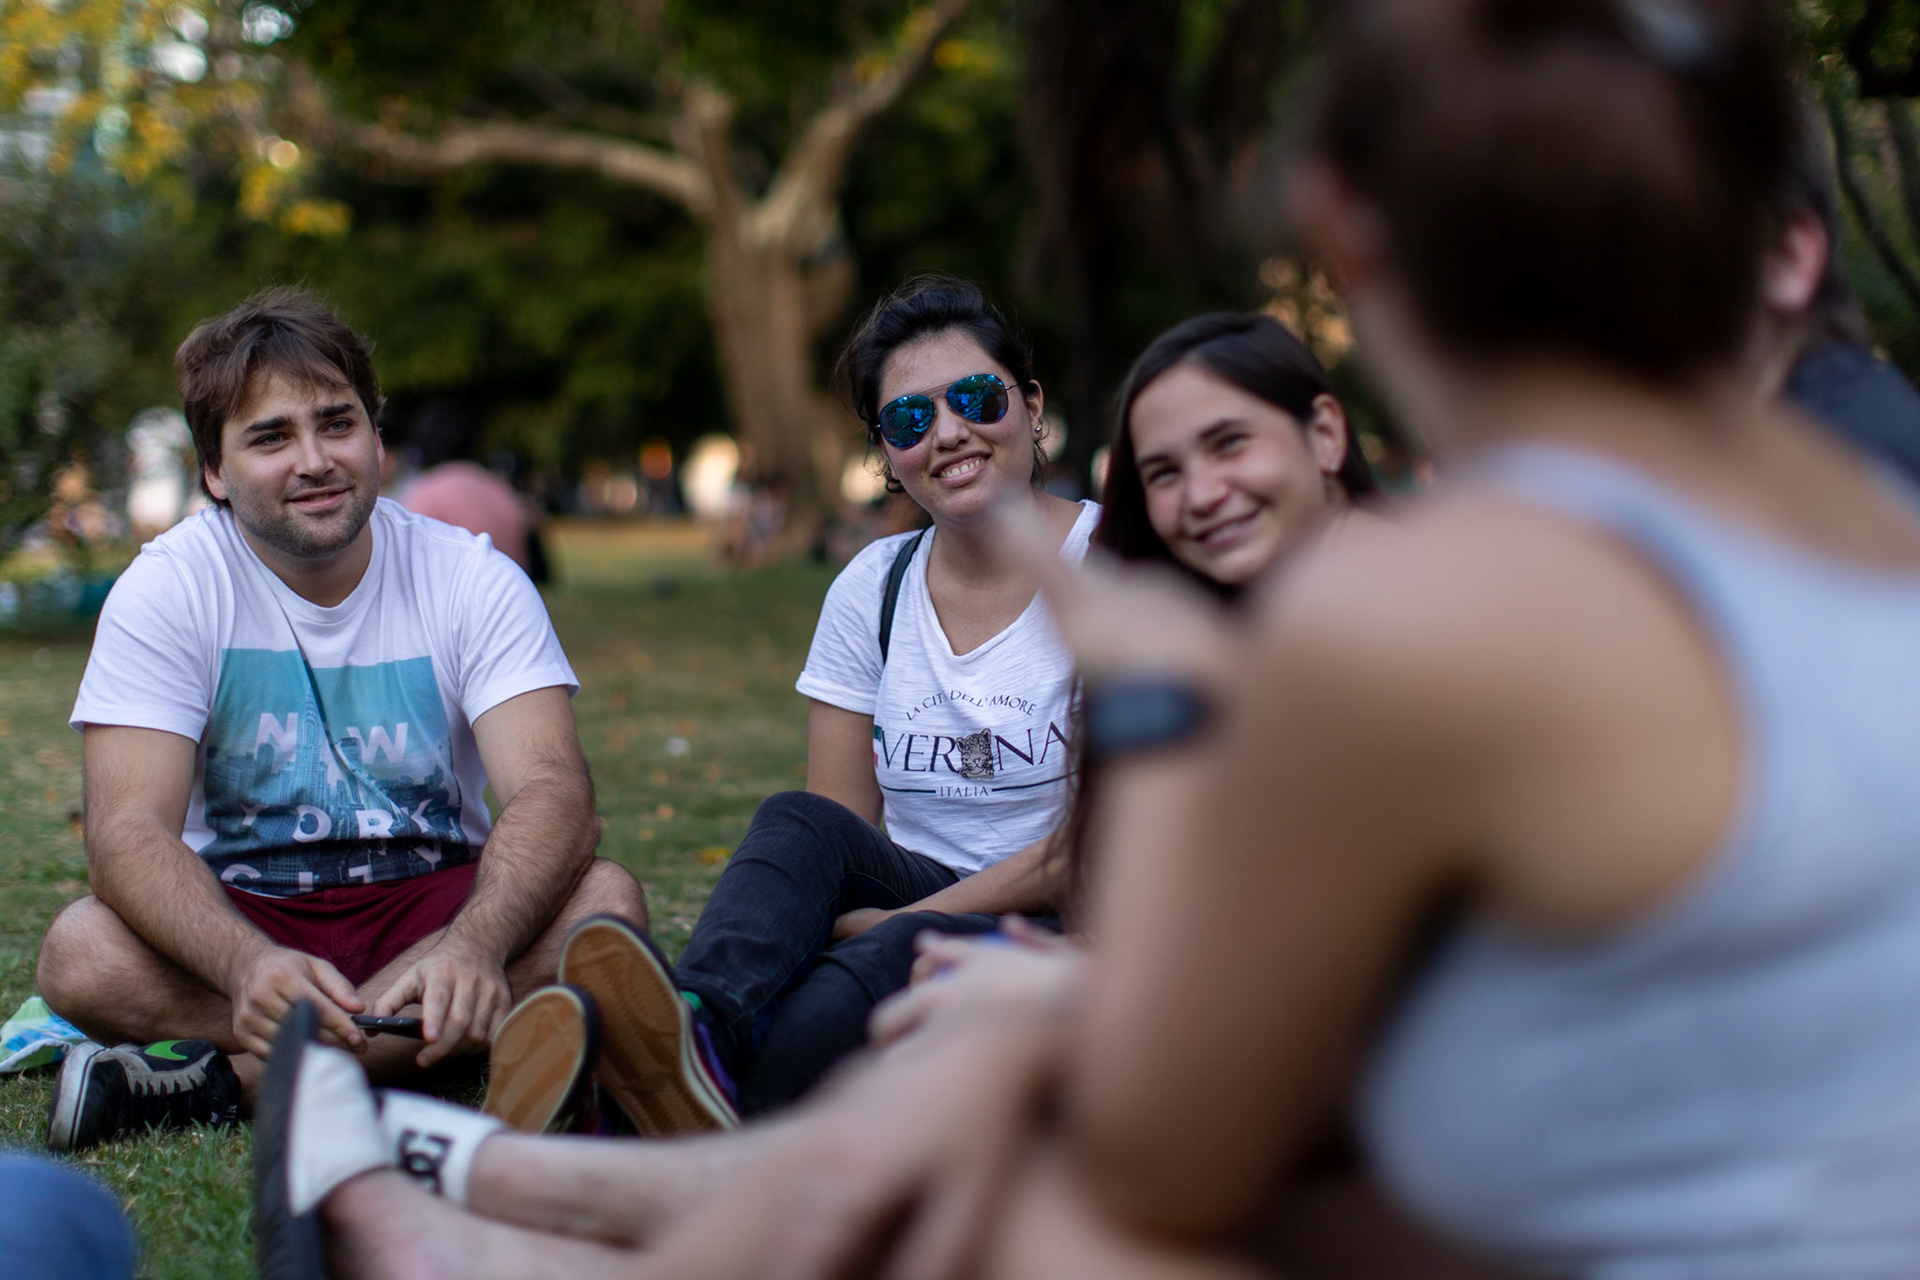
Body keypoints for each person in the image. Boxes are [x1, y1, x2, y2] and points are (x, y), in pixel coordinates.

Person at [260, 3, 1920, 1273]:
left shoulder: (1441, 604)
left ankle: (487, 1218)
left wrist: (1146, 730)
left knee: (1018, 1132)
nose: (949, 437)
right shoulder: (1874, 547)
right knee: (979, 1049)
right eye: (911, 419)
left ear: (1349, 239)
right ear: (1783, 240)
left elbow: (1168, 1152)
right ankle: (523, 1191)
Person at [474, 276, 1099, 1135]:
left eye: (976, 398)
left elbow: (1095, 845)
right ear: (887, 453)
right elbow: (835, 826)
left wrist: (900, 921)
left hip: (1063, 920)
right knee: (794, 822)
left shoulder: (1117, 568)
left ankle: (621, 1123)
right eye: (909, 419)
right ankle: (691, 1025)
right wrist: (862, 917)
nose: (948, 432)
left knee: (850, 984)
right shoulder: (872, 589)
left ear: (1031, 405)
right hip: (915, 887)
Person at [34, 287, 645, 1152]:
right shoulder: (167, 588)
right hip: (248, 914)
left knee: (606, 904)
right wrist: (245, 965)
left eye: (337, 423)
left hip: (437, 909)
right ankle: (426, 1041)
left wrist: (474, 945)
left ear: (376, 435)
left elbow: (553, 791)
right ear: (214, 472)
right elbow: (127, 832)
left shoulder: (470, 576)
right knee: (80, 951)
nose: (315, 461)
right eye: (271, 438)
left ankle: (224, 1083)